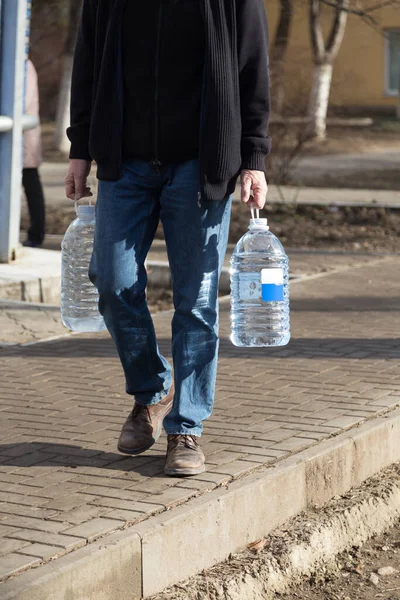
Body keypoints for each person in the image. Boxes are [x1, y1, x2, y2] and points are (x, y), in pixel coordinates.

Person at [65, 0, 270, 477]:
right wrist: (80, 149)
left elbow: (252, 68)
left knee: (195, 300)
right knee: (112, 280)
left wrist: (255, 155)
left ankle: (186, 427)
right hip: (125, 161)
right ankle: (153, 391)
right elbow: (87, 65)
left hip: (200, 165)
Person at [22, 59, 46, 248]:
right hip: (14, 141)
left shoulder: (25, 66)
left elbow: (21, 102)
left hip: (24, 140)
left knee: (32, 188)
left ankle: (37, 234)